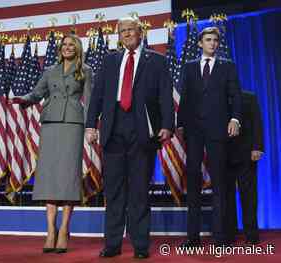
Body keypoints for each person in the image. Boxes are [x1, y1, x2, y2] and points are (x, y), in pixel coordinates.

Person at [85, 17, 174, 259]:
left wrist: (167, 125)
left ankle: (141, 246)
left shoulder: (156, 60)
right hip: (113, 130)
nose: (126, 34)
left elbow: (166, 95)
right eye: (122, 31)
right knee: (113, 191)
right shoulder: (110, 60)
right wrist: (90, 125)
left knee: (138, 191)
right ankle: (112, 245)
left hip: (142, 130)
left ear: (140, 32)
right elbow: (97, 97)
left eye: (130, 30)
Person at [11, 34, 92, 253]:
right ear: (60, 48)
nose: (67, 48)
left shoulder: (85, 70)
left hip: (73, 125)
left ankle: (64, 229)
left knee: (67, 177)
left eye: (71, 45)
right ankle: (50, 231)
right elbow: (37, 93)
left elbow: (91, 100)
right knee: (49, 176)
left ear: (77, 48)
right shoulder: (50, 71)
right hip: (50, 125)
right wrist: (25, 99)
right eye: (64, 45)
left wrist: (91, 127)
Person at [177, 26, 242, 247]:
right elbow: (184, 99)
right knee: (193, 182)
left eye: (215, 40)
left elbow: (236, 96)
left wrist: (235, 119)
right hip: (194, 132)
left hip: (218, 131)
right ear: (200, 43)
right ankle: (192, 238)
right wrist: (180, 125)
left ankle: (220, 237)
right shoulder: (189, 67)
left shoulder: (228, 67)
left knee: (220, 183)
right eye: (208, 39)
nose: (212, 43)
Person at [226, 90, 264, 245]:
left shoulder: (249, 97)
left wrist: (257, 147)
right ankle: (229, 233)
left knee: (249, 195)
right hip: (223, 155)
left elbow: (257, 123)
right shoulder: (216, 98)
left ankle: (251, 234)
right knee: (226, 197)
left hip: (247, 153)